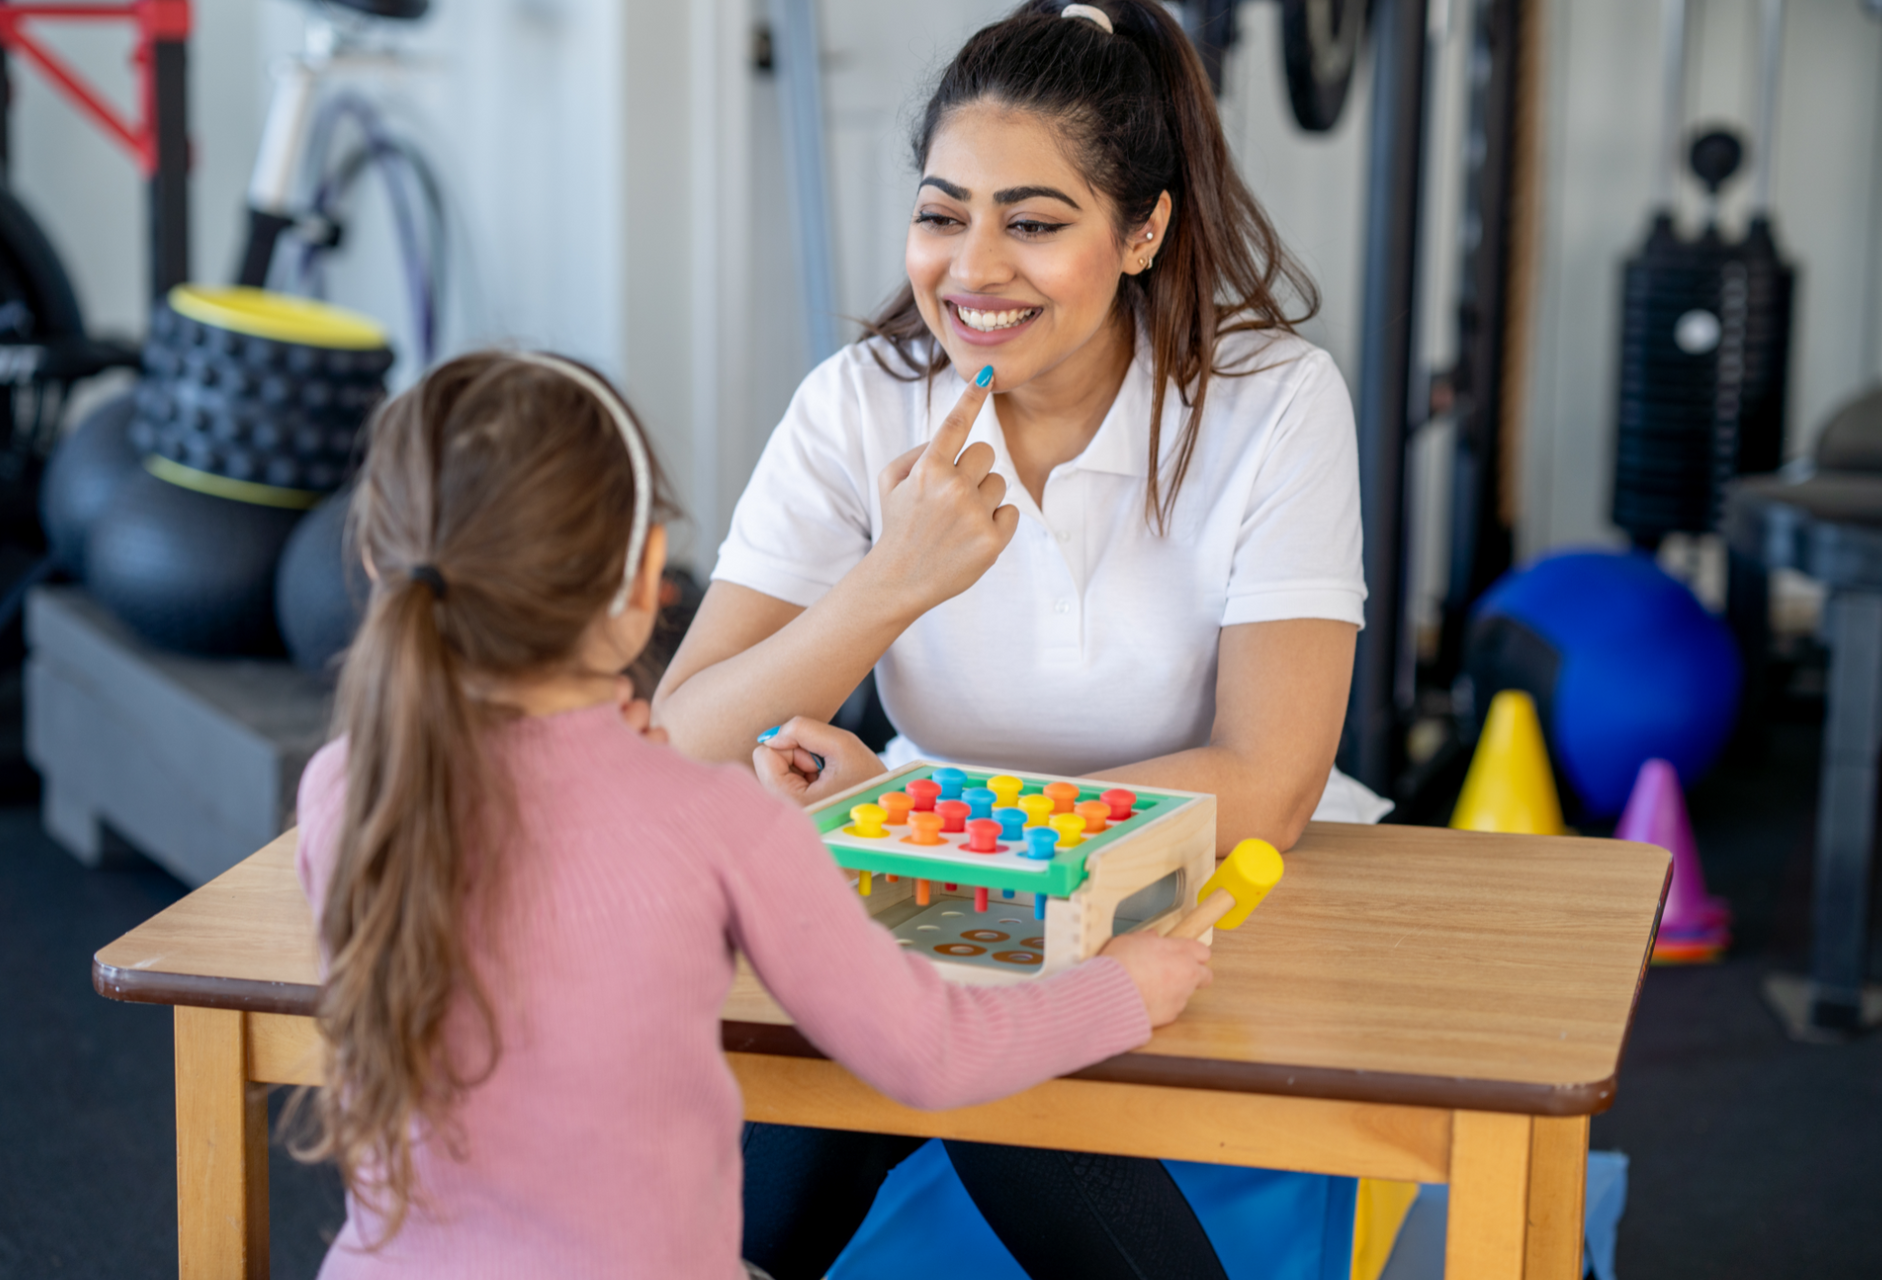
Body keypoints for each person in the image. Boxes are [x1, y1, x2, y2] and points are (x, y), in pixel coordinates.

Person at [652, 3, 1386, 1277]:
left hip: (1213, 903)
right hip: (940, 896)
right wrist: (888, 586)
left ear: (1143, 228)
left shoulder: (1275, 403)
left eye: (1034, 223)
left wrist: (931, 818)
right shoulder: (857, 402)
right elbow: (680, 749)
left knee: (981, 1054)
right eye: (944, 214)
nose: (972, 268)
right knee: (772, 1167)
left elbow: (1265, 782)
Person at [288, 350, 1213, 1279]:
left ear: (378, 562)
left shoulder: (342, 785)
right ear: (648, 579)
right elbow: (933, 1053)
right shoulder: (715, 820)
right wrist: (1127, 986)